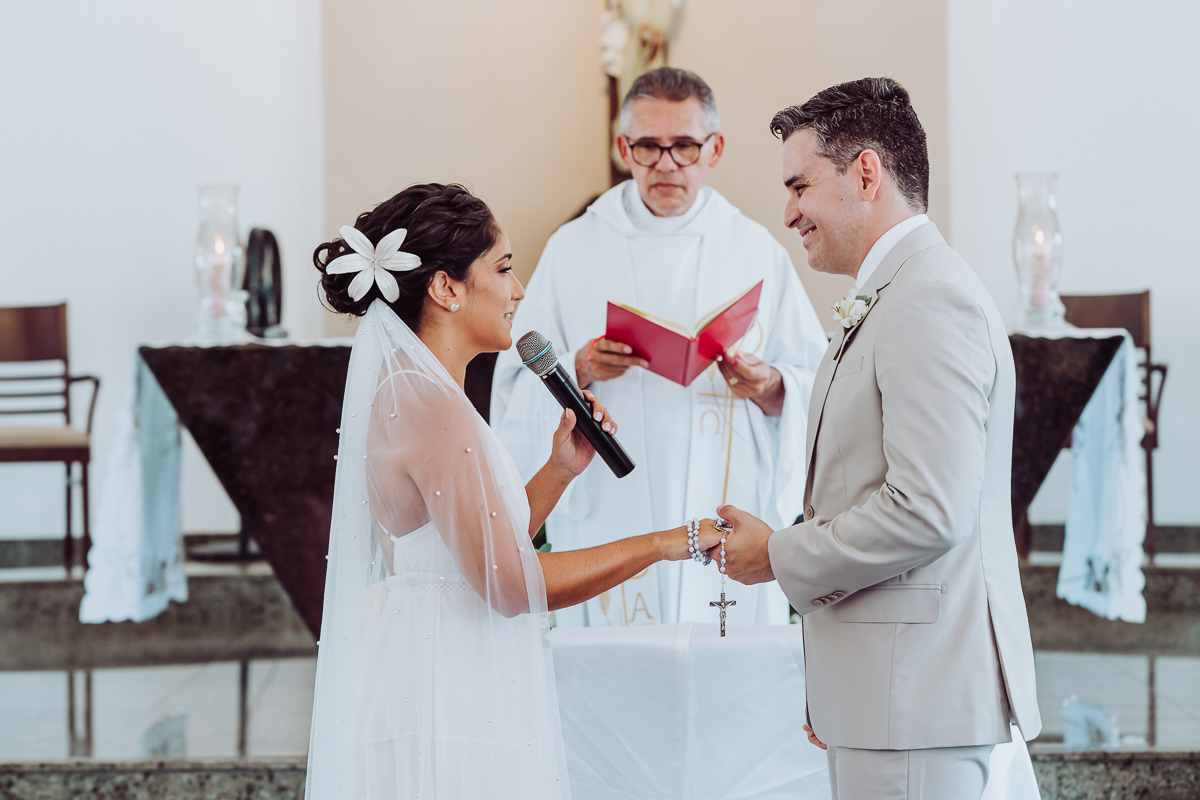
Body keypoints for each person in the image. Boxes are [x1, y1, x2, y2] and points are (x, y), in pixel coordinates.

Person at [305, 183, 723, 800]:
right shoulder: (435, 411)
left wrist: (558, 470)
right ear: (446, 289)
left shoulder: (410, 394)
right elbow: (506, 582)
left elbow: (461, 549)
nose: (518, 290)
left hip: (427, 650)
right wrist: (667, 542)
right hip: (449, 677)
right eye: (502, 269)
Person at [715, 78, 1042, 800]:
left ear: (866, 172)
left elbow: (927, 507)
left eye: (800, 185)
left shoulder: (929, 299)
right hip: (889, 693)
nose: (789, 212)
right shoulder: (898, 291)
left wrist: (777, 554)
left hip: (916, 698)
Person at [491, 67, 827, 628]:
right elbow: (512, 383)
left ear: (714, 148)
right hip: (609, 508)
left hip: (725, 499)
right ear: (623, 147)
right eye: (648, 146)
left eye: (685, 146)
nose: (666, 163)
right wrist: (578, 369)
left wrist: (770, 387)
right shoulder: (575, 247)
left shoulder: (754, 250)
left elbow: (819, 386)